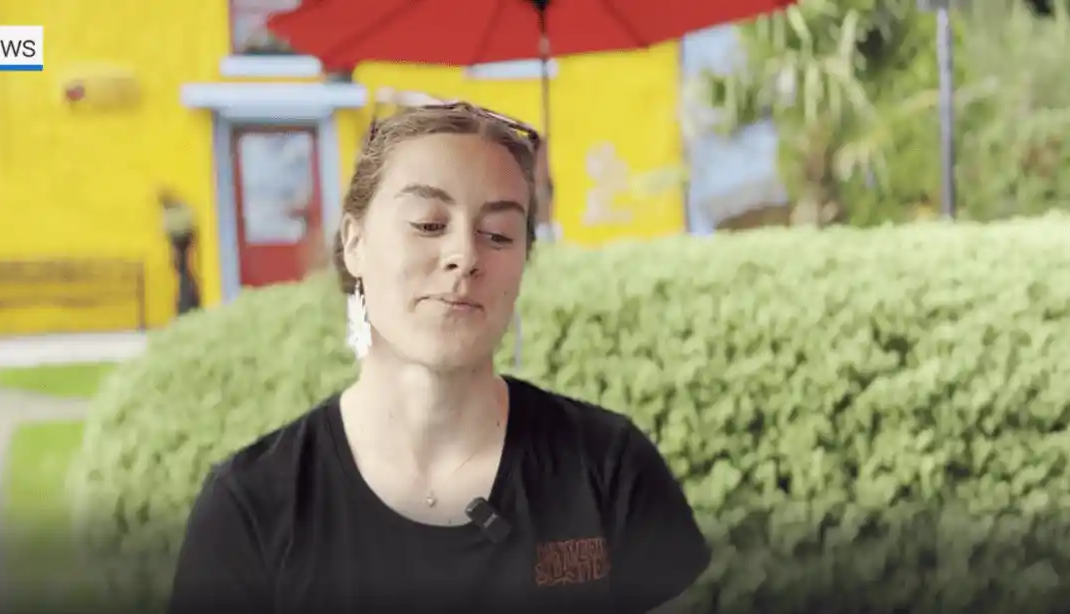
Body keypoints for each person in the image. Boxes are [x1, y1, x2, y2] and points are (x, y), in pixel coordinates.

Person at [166, 102, 711, 614]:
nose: (464, 256)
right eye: (428, 224)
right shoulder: (251, 507)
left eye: (498, 233)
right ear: (354, 243)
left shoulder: (608, 469)